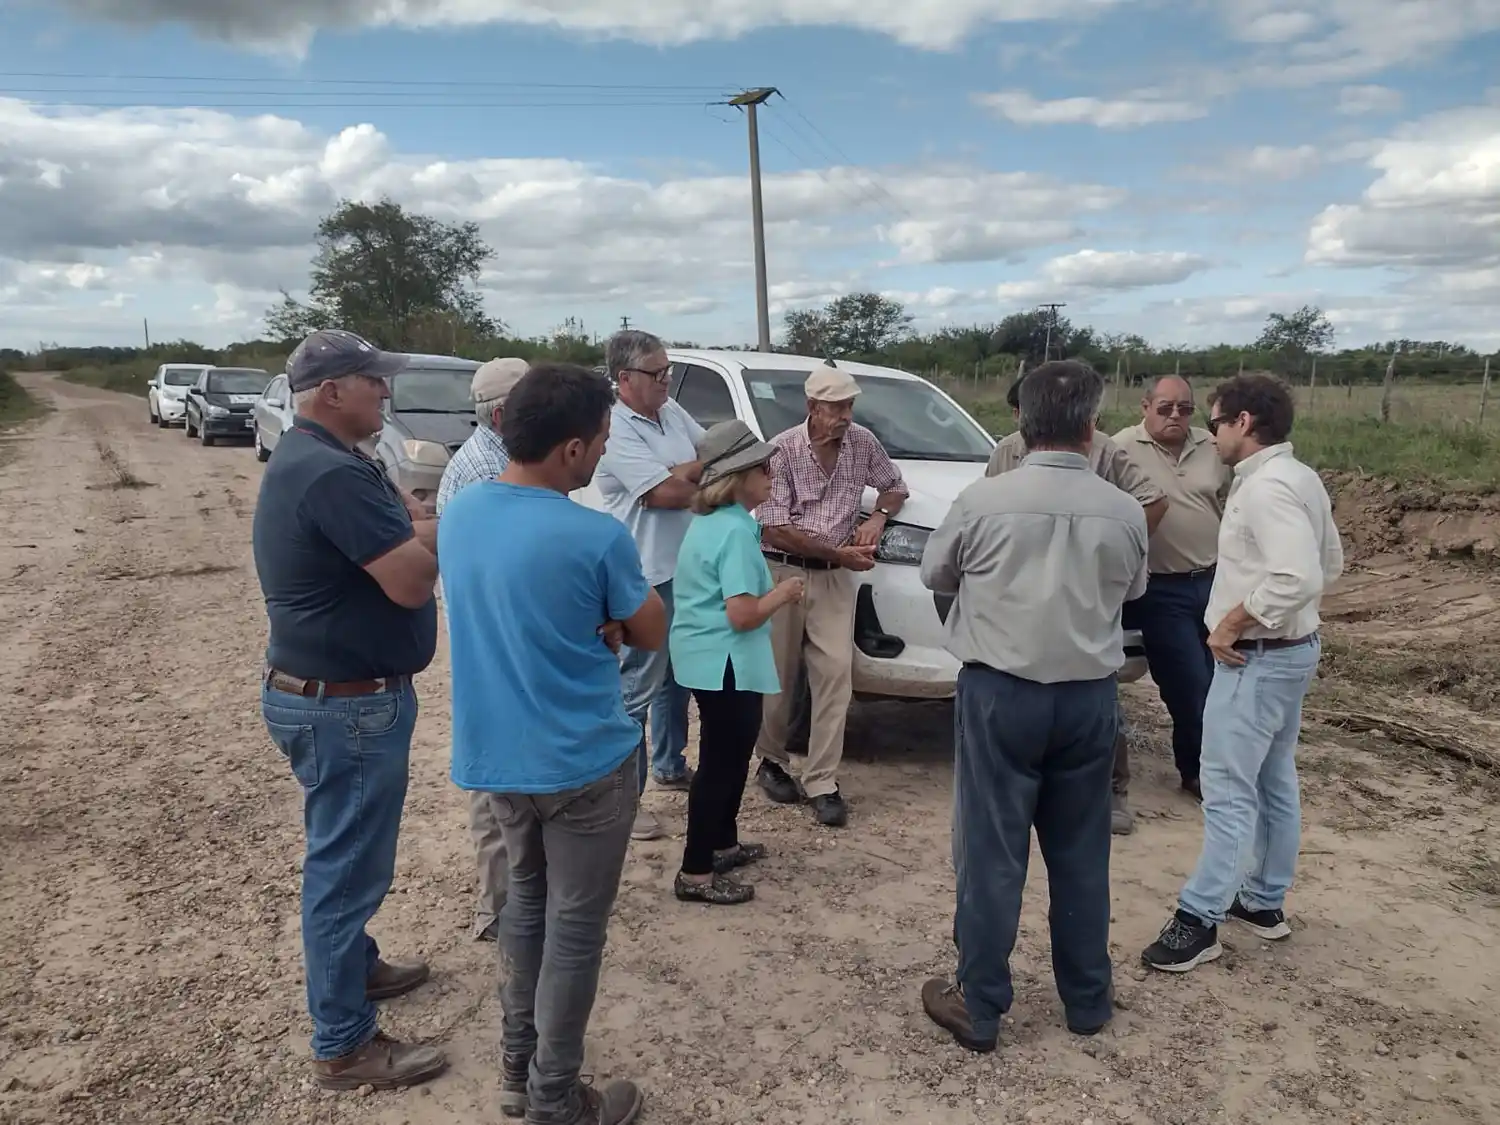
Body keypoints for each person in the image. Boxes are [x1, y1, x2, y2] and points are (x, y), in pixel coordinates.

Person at [440, 362, 665, 1125]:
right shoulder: (594, 533)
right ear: (571, 448)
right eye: (602, 440)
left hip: (498, 760)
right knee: (574, 930)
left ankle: (516, 1067)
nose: (604, 454)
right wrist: (609, 616)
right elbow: (650, 628)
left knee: (525, 907)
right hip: (583, 765)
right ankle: (554, 1098)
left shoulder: (463, 513)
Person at [918, 359, 1148, 1053]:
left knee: (991, 853)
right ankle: (1087, 998)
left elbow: (936, 572)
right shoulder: (1125, 507)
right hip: (1087, 698)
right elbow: (1132, 590)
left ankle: (981, 1003)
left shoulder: (984, 499)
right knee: (1082, 852)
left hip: (1001, 692)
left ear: (1022, 422)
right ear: (1091, 425)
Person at [252, 328, 445, 1090]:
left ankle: (355, 969)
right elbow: (407, 579)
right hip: (346, 708)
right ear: (331, 391)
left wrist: (413, 525)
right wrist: (438, 531)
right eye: (374, 380)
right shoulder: (330, 474)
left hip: (328, 697)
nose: (386, 391)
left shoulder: (326, 459)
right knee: (344, 873)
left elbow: (401, 534)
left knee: (344, 855)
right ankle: (343, 1043)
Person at [1142, 373, 1343, 974]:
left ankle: (1199, 920)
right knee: (1274, 776)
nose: (1212, 433)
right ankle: (1262, 900)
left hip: (1255, 657)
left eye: (1216, 421)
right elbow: (1328, 561)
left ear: (1244, 423)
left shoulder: (1266, 490)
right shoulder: (1298, 477)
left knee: (1228, 788)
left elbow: (1298, 576)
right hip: (1290, 650)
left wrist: (1232, 623)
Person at [986, 371, 1167, 835]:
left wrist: (1111, 549)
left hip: (1086, 592)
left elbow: (1153, 500)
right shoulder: (1006, 452)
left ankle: (1113, 791)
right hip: (1023, 590)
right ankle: (1031, 792)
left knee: (1096, 684)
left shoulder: (1106, 451)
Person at [754, 361, 909, 828]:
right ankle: (772, 761)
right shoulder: (781, 450)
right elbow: (775, 528)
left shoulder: (862, 442)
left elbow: (894, 486)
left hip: (834, 577)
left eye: (849, 406)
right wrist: (839, 554)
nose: (845, 415)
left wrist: (878, 516)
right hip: (783, 570)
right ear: (812, 407)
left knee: (835, 673)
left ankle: (823, 780)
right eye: (836, 407)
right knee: (777, 676)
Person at [669, 421, 805, 905]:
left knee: (727, 757)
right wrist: (783, 593)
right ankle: (696, 872)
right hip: (724, 661)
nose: (772, 473)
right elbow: (743, 613)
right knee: (720, 767)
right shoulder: (734, 533)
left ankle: (722, 844)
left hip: (707, 659)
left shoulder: (714, 523)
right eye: (762, 467)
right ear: (738, 475)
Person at [434, 356, 529, 943]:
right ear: (502, 413)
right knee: (496, 774)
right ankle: (497, 907)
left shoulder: (505, 463)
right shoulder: (482, 473)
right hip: (492, 635)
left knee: (513, 771)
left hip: (502, 632)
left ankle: (516, 898)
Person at [594, 328, 703, 843]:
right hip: (643, 575)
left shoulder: (671, 412)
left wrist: (684, 472)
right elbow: (661, 495)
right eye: (658, 374)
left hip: (683, 569)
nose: (667, 381)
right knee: (636, 690)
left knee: (675, 680)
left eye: (668, 371)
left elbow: (715, 456)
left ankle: (669, 764)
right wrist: (682, 477)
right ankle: (625, 803)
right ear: (624, 379)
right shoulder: (615, 426)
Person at [1113, 376, 1231, 800]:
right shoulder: (1120, 447)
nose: (1175, 416)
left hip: (1216, 582)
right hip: (1160, 589)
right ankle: (1198, 774)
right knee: (1189, 684)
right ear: (1145, 406)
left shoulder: (1214, 447)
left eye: (1184, 408)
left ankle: (1217, 765)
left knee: (1224, 680)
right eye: (1165, 408)